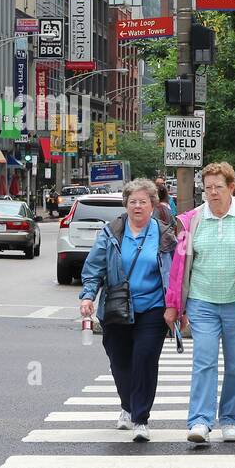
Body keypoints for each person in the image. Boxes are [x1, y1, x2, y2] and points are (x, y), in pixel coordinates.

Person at [164, 161, 235, 445]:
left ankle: (229, 419)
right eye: (208, 188)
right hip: (202, 301)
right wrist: (174, 304)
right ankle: (200, 421)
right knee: (203, 360)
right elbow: (179, 266)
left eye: (218, 187)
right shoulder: (192, 220)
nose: (213, 193)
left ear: (231, 188)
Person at [79, 179, 177, 442]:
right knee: (120, 363)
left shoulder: (165, 234)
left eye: (143, 202)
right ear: (126, 204)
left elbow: (175, 274)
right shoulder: (112, 232)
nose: (137, 206)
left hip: (153, 308)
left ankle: (140, 418)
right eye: (133, 201)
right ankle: (127, 405)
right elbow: (94, 267)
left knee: (144, 360)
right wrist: (88, 296)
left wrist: (175, 305)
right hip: (117, 307)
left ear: (153, 205)